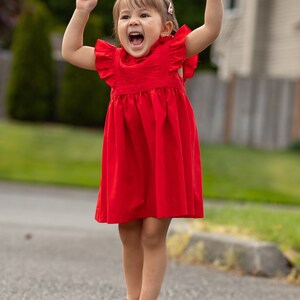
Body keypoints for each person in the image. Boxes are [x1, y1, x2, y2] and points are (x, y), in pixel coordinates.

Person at [62, 0, 223, 299]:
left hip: (165, 159)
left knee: (152, 233)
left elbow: (211, 28)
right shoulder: (114, 62)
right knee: (128, 231)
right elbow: (70, 51)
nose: (133, 21)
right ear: (118, 30)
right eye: (125, 17)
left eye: (144, 15)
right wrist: (82, 10)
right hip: (127, 160)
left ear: (165, 28)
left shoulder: (172, 53)